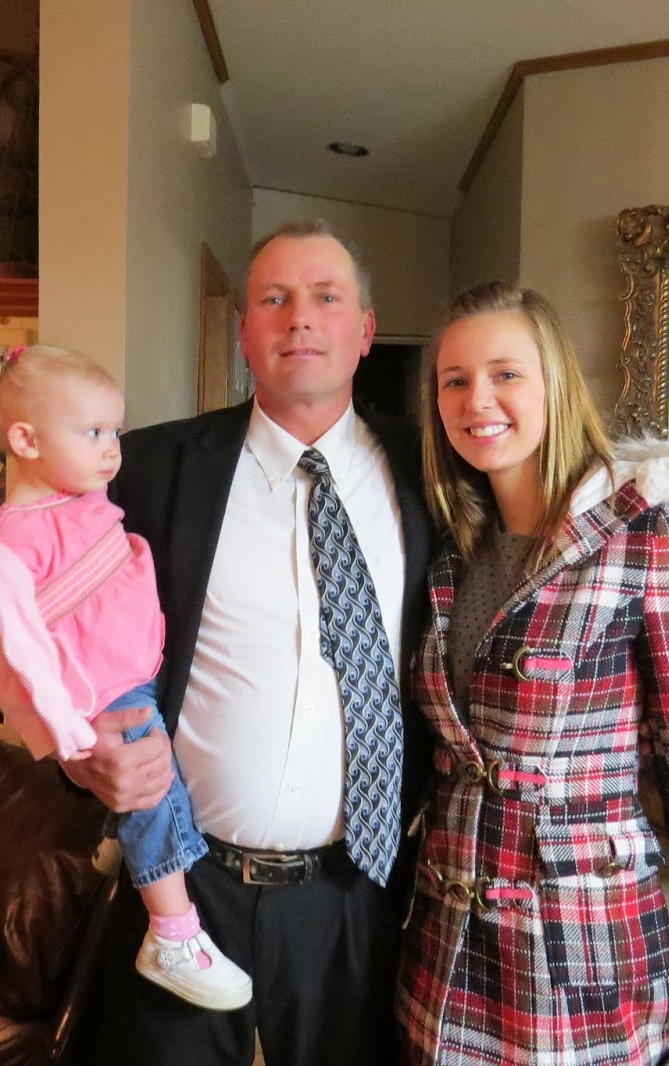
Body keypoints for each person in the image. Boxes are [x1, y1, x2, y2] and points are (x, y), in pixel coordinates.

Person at [398, 282, 669, 1066]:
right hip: (443, 957)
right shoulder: (449, 545)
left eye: (505, 373)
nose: (477, 399)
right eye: (454, 380)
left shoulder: (649, 532)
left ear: (555, 382)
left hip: (583, 959)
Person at [71, 219, 432, 1066]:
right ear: (244, 331)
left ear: (366, 330)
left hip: (354, 894)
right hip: (183, 889)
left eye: (325, 298)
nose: (298, 318)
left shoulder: (433, 474)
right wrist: (82, 757)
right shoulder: (148, 468)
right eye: (274, 299)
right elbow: (61, 628)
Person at [0, 343, 252, 1011]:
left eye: (115, 432)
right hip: (107, 693)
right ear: (26, 440)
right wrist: (68, 734)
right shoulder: (8, 543)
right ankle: (172, 932)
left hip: (143, 669)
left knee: (156, 781)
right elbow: (16, 652)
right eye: (93, 432)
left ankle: (115, 845)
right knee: (153, 792)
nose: (111, 451)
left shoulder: (82, 501)